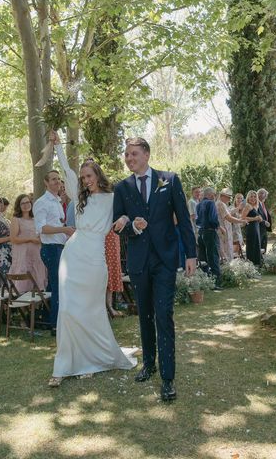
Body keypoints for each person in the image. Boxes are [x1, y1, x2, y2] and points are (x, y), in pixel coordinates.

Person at [49, 132, 136, 387]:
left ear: (98, 175)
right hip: (72, 256)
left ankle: (91, 360)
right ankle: (63, 366)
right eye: (83, 177)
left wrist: (125, 219)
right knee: (67, 310)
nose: (86, 180)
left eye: (89, 175)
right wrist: (57, 146)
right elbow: (66, 170)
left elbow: (131, 212)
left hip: (96, 258)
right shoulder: (79, 198)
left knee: (92, 309)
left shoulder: (112, 197)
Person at [113, 137, 197, 402]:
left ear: (147, 155)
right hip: (138, 262)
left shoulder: (169, 180)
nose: (129, 158)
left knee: (164, 314)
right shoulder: (122, 187)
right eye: (126, 155)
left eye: (134, 154)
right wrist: (133, 226)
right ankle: (148, 363)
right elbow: (117, 225)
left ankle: (168, 378)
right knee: (145, 315)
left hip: (165, 260)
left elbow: (183, 218)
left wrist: (191, 254)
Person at [34, 169, 75, 335]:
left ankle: (46, 318)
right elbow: (41, 228)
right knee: (59, 286)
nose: (57, 182)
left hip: (60, 247)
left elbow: (57, 223)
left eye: (58, 179)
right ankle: (56, 326)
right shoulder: (42, 202)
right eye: (53, 179)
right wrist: (64, 229)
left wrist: (64, 228)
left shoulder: (57, 201)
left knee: (54, 286)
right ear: (46, 182)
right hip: (50, 249)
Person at [9, 194, 47, 294]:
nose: (26, 205)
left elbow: (41, 234)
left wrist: (40, 239)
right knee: (23, 283)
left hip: (36, 254)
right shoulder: (16, 219)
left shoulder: (36, 219)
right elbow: (13, 239)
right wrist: (30, 239)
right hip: (23, 255)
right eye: (23, 203)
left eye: (28, 202)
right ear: (19, 206)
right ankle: (21, 305)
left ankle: (36, 307)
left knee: (37, 282)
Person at [196, 187, 223, 282]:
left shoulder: (198, 205)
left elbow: (197, 220)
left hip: (201, 232)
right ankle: (216, 281)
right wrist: (217, 226)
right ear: (211, 195)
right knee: (213, 256)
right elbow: (213, 219)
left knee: (203, 257)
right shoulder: (211, 203)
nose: (215, 196)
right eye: (214, 194)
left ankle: (205, 280)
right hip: (210, 231)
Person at [216, 188, 247, 263]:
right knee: (226, 252)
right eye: (228, 197)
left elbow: (229, 213)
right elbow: (228, 217)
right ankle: (228, 269)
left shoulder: (222, 204)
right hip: (223, 231)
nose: (230, 199)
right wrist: (241, 221)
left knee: (227, 251)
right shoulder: (220, 204)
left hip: (225, 230)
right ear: (223, 196)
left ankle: (229, 267)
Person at [241, 190, 263, 267]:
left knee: (256, 245)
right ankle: (251, 265)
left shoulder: (255, 206)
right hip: (251, 228)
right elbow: (242, 218)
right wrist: (255, 218)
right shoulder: (248, 206)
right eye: (251, 196)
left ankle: (256, 264)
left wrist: (259, 219)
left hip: (256, 228)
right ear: (248, 198)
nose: (253, 198)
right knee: (251, 246)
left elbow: (256, 218)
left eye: (254, 197)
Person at [257, 188, 272, 253]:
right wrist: (264, 222)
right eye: (264, 194)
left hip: (264, 228)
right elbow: (257, 215)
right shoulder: (257, 203)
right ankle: (259, 260)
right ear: (259, 194)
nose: (266, 196)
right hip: (259, 227)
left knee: (264, 245)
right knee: (259, 245)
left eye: (266, 194)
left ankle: (263, 259)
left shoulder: (262, 204)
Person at [231, 193, 246, 257]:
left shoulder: (243, 210)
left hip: (239, 232)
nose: (240, 200)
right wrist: (238, 207)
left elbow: (241, 224)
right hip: (232, 232)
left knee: (239, 253)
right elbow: (230, 213)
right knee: (234, 253)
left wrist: (244, 223)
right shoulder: (232, 207)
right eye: (238, 198)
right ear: (235, 199)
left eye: (241, 199)